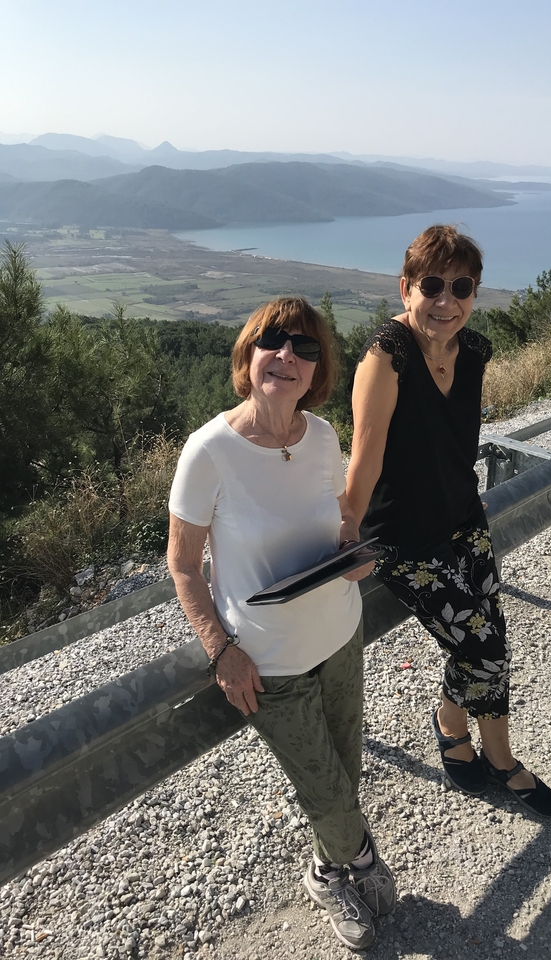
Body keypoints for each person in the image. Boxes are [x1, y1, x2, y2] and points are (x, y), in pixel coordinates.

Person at [167, 296, 396, 951]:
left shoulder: (322, 437)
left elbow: (341, 520)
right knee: (327, 791)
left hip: (341, 636)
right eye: (274, 341)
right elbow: (182, 566)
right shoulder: (208, 451)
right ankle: (359, 860)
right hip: (272, 663)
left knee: (344, 772)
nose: (287, 356)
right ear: (249, 352)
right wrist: (220, 651)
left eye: (305, 348)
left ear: (317, 370)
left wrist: (353, 555)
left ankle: (328, 870)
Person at [346, 225, 551, 818]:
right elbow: (364, 459)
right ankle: (501, 760)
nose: (446, 300)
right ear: (406, 288)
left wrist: (464, 492)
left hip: (463, 518)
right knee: (485, 646)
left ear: (474, 292)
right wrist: (346, 538)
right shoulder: (386, 357)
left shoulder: (475, 352)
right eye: (432, 285)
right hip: (403, 538)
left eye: (460, 286)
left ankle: (451, 723)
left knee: (485, 632)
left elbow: (457, 439)